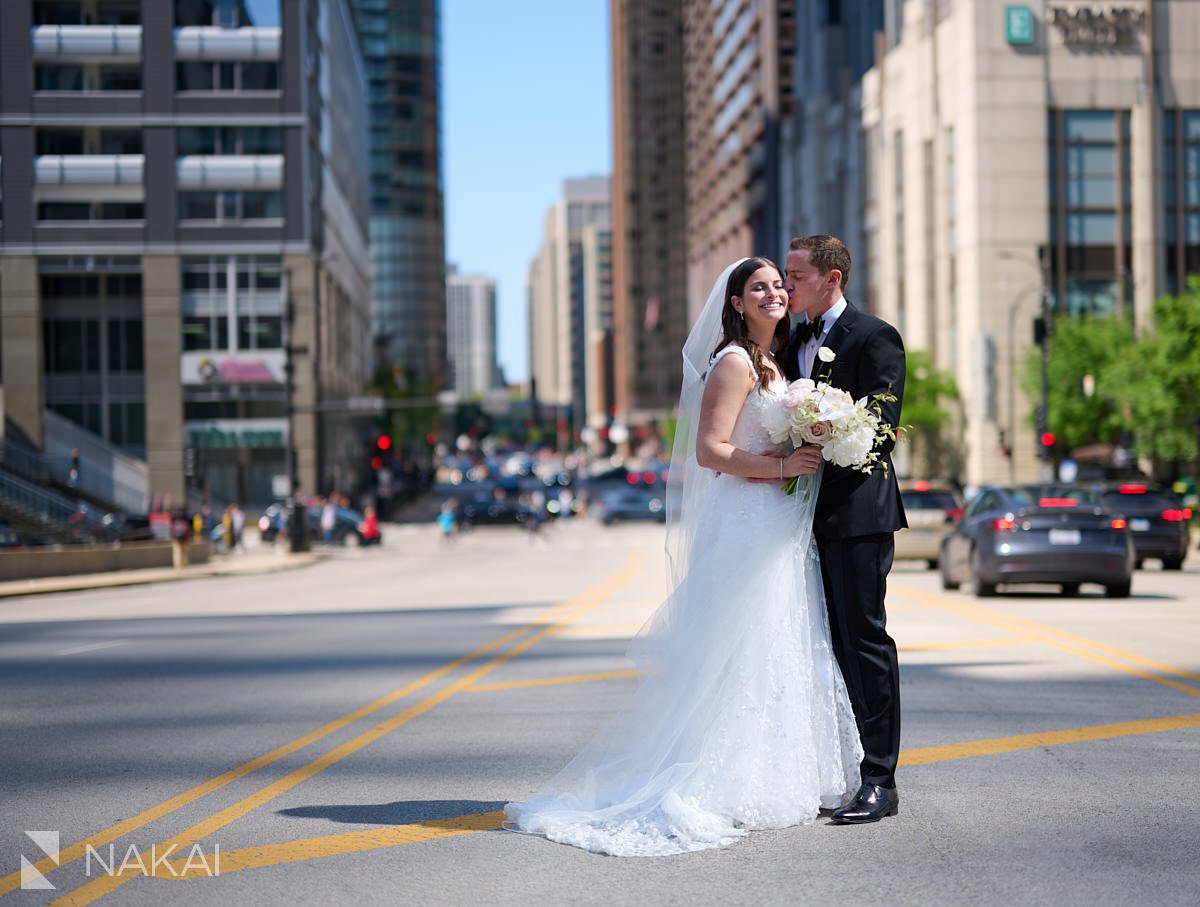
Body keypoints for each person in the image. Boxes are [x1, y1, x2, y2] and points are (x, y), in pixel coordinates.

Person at [504, 257, 863, 856]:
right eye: (759, 288)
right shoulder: (733, 361)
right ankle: (727, 777)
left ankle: (783, 774)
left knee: (783, 637)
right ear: (737, 303)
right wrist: (782, 466)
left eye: (779, 284)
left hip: (778, 522)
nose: (774, 293)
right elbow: (710, 451)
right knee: (744, 643)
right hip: (747, 519)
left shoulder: (775, 360)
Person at [779, 234, 907, 824]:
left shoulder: (874, 336)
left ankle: (880, 780)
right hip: (792, 517)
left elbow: (881, 425)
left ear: (832, 279)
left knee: (863, 643)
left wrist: (831, 425)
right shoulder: (786, 340)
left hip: (856, 516)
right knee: (814, 646)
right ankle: (828, 770)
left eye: (796, 276)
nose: (786, 286)